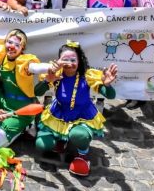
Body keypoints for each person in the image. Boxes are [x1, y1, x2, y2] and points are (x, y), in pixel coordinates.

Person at [35, 41, 118, 177]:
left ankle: (82, 155)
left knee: (78, 135)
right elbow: (37, 92)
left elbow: (111, 95)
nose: (70, 63)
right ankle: (62, 140)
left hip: (82, 115)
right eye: (65, 60)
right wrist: (47, 80)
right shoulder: (56, 74)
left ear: (79, 61)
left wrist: (107, 85)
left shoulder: (87, 76)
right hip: (59, 114)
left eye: (73, 59)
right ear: (59, 61)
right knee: (41, 145)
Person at [0, 29, 50, 149]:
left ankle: (26, 126)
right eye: (9, 42)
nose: (12, 46)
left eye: (17, 45)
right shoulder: (2, 55)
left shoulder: (24, 62)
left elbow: (37, 68)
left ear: (22, 48)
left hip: (22, 108)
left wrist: (53, 67)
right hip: (5, 101)